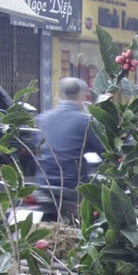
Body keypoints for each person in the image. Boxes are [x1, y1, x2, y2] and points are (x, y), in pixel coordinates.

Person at [34, 77, 101, 218]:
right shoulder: (85, 121)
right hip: (73, 186)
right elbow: (104, 150)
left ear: (60, 95)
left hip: (44, 184)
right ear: (81, 96)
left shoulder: (42, 119)